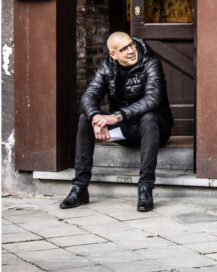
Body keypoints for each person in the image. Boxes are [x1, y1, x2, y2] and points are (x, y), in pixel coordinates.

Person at [59, 32, 173, 212]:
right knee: (84, 119)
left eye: (131, 45)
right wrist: (96, 118)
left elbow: (153, 99)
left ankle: (145, 188)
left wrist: (116, 117)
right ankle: (80, 187)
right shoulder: (107, 67)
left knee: (148, 117)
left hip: (156, 129)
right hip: (126, 130)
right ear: (113, 54)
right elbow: (89, 96)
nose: (130, 51)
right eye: (123, 49)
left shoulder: (150, 63)